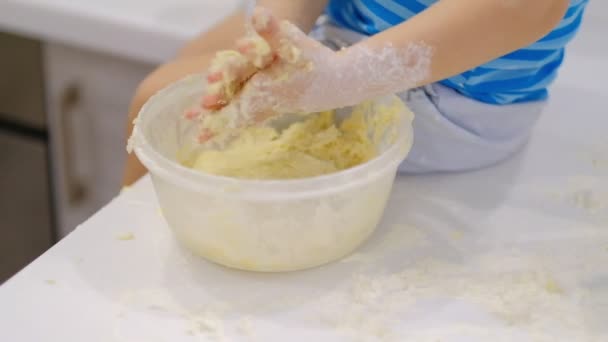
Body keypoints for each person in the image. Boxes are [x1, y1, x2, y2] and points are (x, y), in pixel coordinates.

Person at [123, 0, 588, 185]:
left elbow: (522, 7)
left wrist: (338, 78)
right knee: (177, 80)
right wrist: (278, 28)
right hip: (349, 35)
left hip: (453, 89)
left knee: (160, 100)